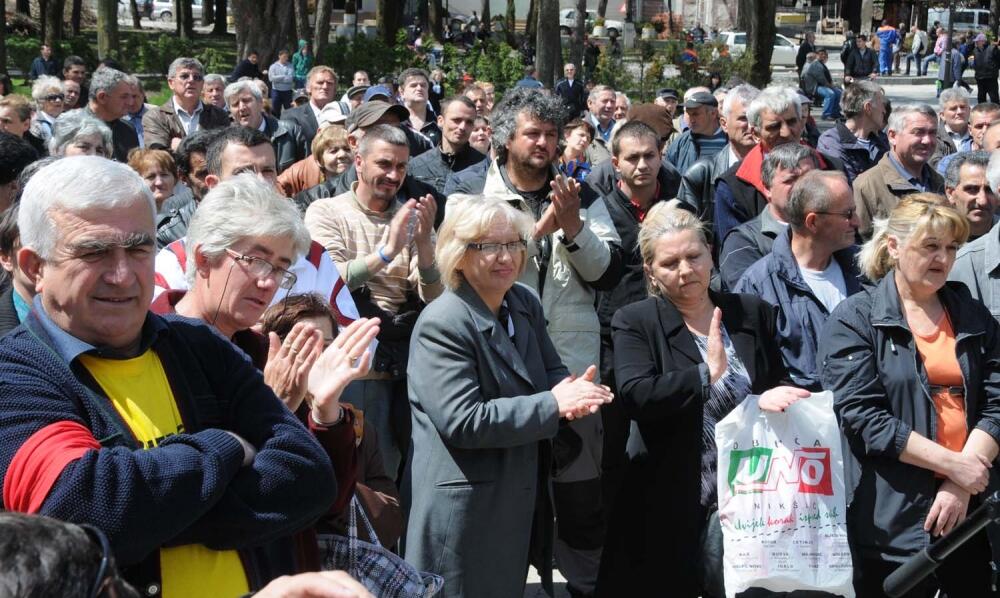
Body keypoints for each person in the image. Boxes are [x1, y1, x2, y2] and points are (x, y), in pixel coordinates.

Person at [0, 156, 338, 596]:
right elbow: (86, 506)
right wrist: (228, 446)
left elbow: (308, 476)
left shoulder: (199, 345)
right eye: (94, 251)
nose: (123, 276)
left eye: (139, 248)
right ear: (33, 267)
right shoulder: (15, 375)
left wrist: (151, 517)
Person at [404, 194, 612, 598]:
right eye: (489, 246)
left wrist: (574, 391)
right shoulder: (443, 322)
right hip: (463, 508)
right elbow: (463, 421)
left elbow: (550, 372)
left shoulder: (522, 303)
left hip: (515, 498)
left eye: (514, 243)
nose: (506, 256)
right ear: (459, 254)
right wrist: (554, 404)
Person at [602, 203, 807, 597]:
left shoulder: (750, 312)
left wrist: (773, 394)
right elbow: (634, 395)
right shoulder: (636, 320)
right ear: (651, 272)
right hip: (670, 497)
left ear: (710, 253)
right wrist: (703, 376)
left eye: (694, 256)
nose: (685, 270)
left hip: (751, 497)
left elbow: (773, 377)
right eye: (670, 263)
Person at [820, 195, 1000, 597]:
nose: (943, 258)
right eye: (930, 246)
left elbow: (997, 398)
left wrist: (961, 482)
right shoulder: (855, 318)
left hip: (972, 509)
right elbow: (864, 417)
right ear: (894, 246)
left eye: (951, 247)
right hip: (893, 518)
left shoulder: (970, 313)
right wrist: (956, 467)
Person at [304, 124, 442, 476]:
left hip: (405, 363)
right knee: (351, 473)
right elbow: (330, 280)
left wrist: (424, 246)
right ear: (359, 161)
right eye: (384, 164)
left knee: (395, 475)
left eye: (401, 167)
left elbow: (435, 295)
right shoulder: (326, 211)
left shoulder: (412, 217)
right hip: (353, 367)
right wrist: (387, 251)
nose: (393, 175)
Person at [734, 170, 863, 390]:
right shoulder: (759, 286)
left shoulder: (865, 270)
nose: (857, 222)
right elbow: (747, 372)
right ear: (813, 222)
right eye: (847, 214)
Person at [720, 142, 817, 290]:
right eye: (791, 180)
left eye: (809, 178)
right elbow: (754, 298)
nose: (802, 186)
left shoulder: (833, 228)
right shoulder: (742, 241)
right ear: (767, 188)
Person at [854, 103, 945, 240]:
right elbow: (859, 246)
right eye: (918, 132)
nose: (927, 141)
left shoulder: (939, 182)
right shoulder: (867, 186)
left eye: (932, 133)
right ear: (892, 136)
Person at [678, 84, 760, 231]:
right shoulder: (699, 175)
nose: (751, 126)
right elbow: (686, 234)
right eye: (743, 118)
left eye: (756, 118)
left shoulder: (781, 172)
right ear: (724, 124)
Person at [143, 57, 230, 151]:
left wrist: (181, 145)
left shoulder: (218, 115)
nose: (191, 80)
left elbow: (222, 154)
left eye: (197, 77)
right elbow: (160, 157)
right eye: (184, 76)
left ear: (202, 84)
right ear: (171, 83)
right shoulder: (155, 117)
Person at [407, 95, 486, 195]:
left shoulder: (484, 167)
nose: (462, 127)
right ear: (440, 121)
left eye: (469, 122)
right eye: (456, 120)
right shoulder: (416, 167)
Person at [226, 79, 307, 174]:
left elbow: (306, 172)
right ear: (230, 111)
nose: (241, 108)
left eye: (246, 101)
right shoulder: (226, 143)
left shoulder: (290, 132)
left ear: (260, 103)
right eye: (235, 104)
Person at [155, 129, 218, 248]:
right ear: (183, 178)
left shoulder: (256, 212)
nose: (214, 179)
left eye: (220, 169)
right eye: (204, 174)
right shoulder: (169, 234)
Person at [817, 80, 889, 182]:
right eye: (881, 104)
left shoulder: (881, 140)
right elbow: (848, 185)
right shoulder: (832, 141)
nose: (884, 110)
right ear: (868, 108)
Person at [278, 124, 352, 198]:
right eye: (333, 151)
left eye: (347, 149)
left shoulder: (361, 172)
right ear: (319, 160)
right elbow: (276, 187)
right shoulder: (301, 172)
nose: (342, 154)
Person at [84, 67, 138, 162]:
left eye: (132, 96)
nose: (131, 102)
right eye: (124, 97)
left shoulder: (128, 129)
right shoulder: (72, 126)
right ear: (102, 97)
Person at [943, 150, 997, 242]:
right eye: (972, 189)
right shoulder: (937, 238)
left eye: (990, 190)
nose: (982, 201)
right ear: (951, 193)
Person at [281, 66, 340, 149]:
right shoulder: (291, 116)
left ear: (335, 89)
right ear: (308, 88)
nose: (325, 86)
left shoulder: (343, 114)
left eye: (330, 83)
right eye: (320, 82)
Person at [398, 68, 440, 150]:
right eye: (413, 85)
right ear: (402, 92)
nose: (419, 88)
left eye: (423, 85)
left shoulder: (439, 123)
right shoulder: (395, 122)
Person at [127, 148, 180, 212]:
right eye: (151, 177)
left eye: (164, 175)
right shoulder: (133, 218)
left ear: (175, 178)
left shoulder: (189, 212)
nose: (159, 182)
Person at [48, 108, 113, 158]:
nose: (94, 155)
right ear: (58, 150)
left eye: (99, 151)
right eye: (84, 147)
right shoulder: (42, 175)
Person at [802, 50, 842, 120]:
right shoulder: (815, 64)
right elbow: (821, 79)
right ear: (817, 55)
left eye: (825, 55)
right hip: (814, 87)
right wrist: (831, 86)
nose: (823, 56)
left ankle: (835, 113)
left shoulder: (821, 64)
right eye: (821, 54)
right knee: (830, 94)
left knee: (838, 92)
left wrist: (832, 85)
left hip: (822, 86)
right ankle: (826, 115)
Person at [29, 75, 64, 144]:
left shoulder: (68, 119)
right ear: (40, 101)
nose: (58, 100)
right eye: (52, 97)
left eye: (60, 96)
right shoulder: (36, 125)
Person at [558, 118, 594, 184]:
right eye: (581, 135)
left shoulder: (586, 172)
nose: (585, 140)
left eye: (588, 138)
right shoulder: (552, 161)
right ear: (567, 135)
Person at [972, 33, 1000, 103]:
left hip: (990, 78)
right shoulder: (975, 50)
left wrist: (994, 69)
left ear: (983, 41)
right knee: (981, 98)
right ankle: (982, 112)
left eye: (977, 41)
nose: (976, 43)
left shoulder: (992, 49)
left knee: (994, 99)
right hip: (980, 78)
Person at [268, 49, 295, 118]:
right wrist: (283, 76)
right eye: (284, 57)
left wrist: (277, 78)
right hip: (276, 91)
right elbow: (271, 78)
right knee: (275, 110)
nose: (286, 58)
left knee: (289, 110)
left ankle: (290, 124)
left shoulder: (290, 66)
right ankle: (276, 125)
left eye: (287, 57)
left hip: (287, 91)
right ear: (279, 56)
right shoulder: (273, 66)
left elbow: (290, 79)